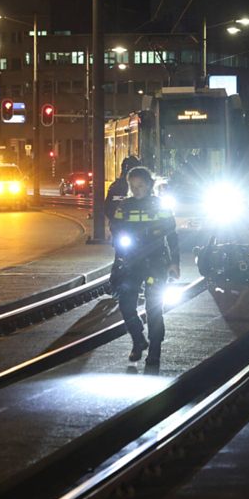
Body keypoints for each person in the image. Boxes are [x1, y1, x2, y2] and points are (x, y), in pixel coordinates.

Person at [109, 166, 180, 365]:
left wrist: (175, 263)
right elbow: (115, 228)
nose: (136, 190)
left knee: (154, 307)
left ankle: (155, 350)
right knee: (126, 304)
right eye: (132, 186)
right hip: (132, 262)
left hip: (157, 262)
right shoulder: (125, 206)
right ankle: (138, 339)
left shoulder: (160, 206)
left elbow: (172, 236)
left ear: (149, 185)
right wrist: (119, 253)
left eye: (140, 185)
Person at [105, 155, 140, 237]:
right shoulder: (115, 187)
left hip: (138, 229)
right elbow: (108, 208)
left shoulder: (115, 186)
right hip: (121, 228)